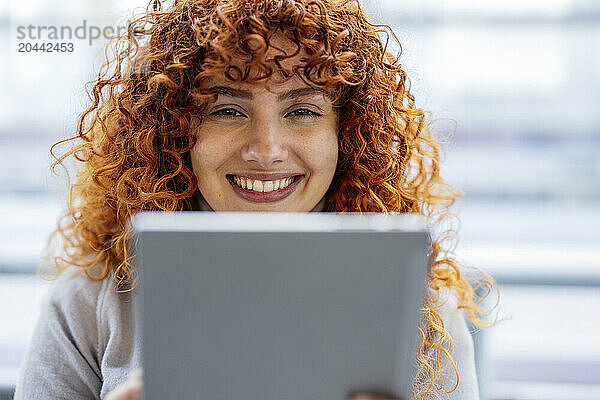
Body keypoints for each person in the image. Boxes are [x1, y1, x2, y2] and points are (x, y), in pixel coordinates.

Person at [14, 0, 495, 399]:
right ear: (175, 133)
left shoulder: (418, 305)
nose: (265, 149)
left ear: (346, 135)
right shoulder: (90, 302)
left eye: (303, 111)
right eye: (227, 110)